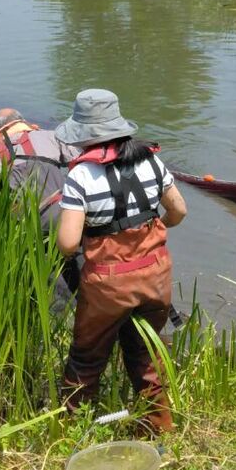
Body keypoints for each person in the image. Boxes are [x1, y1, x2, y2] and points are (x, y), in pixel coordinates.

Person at [55, 89, 187, 433]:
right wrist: (151, 229)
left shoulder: (81, 176)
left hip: (108, 285)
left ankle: (73, 432)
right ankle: (158, 428)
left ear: (83, 134)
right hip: (155, 275)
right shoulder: (152, 161)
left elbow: (67, 243)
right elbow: (178, 211)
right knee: (147, 356)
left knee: (86, 359)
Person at [0, 108, 82, 295]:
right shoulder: (51, 136)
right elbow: (79, 161)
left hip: (31, 223)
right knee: (80, 267)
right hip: (68, 212)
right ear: (22, 121)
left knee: (49, 275)